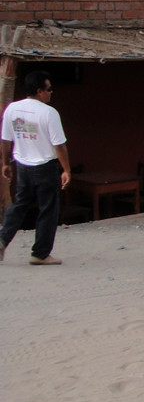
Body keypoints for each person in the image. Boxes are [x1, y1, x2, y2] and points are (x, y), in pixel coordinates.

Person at [1, 70, 71, 265]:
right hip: (45, 166)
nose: (51, 93)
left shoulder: (12, 109)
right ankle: (40, 253)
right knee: (48, 209)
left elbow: (6, 140)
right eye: (49, 89)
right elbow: (59, 146)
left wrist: (5, 162)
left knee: (20, 203)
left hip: (23, 164)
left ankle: (3, 238)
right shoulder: (49, 113)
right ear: (40, 91)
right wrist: (67, 170)